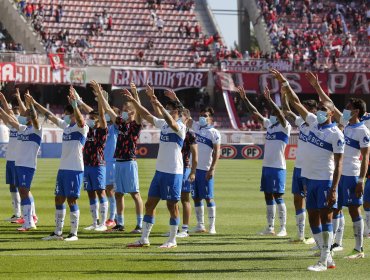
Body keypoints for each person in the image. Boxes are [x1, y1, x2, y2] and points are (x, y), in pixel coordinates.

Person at [274, 68, 344, 272]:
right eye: (319, 107)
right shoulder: (312, 122)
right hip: (309, 178)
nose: (318, 111)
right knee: (312, 215)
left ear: (331, 112)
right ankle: (326, 256)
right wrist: (285, 82)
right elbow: (295, 102)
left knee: (326, 217)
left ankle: (324, 259)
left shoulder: (336, 134)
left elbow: (339, 163)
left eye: (323, 108)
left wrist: (333, 188)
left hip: (325, 180)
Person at [306, 72, 370, 258]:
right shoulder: (345, 124)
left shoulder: (363, 131)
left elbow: (365, 157)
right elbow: (330, 105)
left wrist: (360, 180)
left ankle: (359, 249)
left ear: (356, 111)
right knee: (334, 209)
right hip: (338, 174)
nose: (346, 110)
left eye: (349, 108)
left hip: (351, 175)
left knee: (353, 210)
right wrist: (317, 87)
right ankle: (333, 244)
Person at [126, 85, 186, 248]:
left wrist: (158, 103)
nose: (168, 111)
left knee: (172, 206)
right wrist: (135, 100)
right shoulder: (164, 125)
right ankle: (144, 239)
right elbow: (146, 114)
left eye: (171, 109)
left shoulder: (180, 127)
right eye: (167, 109)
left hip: (173, 172)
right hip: (160, 171)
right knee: (150, 204)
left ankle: (172, 240)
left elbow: (172, 122)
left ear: (178, 113)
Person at [236, 85, 291, 237]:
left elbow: (280, 113)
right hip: (267, 166)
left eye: (274, 113)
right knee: (268, 195)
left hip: (278, 167)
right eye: (271, 113)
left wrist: (269, 100)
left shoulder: (285, 126)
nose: (272, 115)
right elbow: (255, 113)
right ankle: (270, 227)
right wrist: (244, 98)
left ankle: (283, 228)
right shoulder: (270, 126)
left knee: (278, 196)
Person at [37, 86, 89, 241]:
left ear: (72, 114)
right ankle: (57, 233)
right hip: (63, 168)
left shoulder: (82, 128)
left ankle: (74, 233)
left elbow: (80, 119)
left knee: (72, 200)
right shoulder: (66, 127)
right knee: (58, 198)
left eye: (67, 114)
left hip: (75, 168)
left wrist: (75, 105)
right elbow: (50, 116)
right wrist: (34, 104)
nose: (64, 117)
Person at [97, 82, 143, 233]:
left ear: (133, 112)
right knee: (118, 194)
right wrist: (100, 93)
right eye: (123, 110)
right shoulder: (121, 124)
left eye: (127, 110)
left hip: (129, 162)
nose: (123, 112)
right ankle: (120, 224)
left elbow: (140, 112)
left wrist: (135, 95)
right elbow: (109, 109)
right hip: (119, 162)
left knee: (135, 194)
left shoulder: (136, 125)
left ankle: (139, 225)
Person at [157, 90, 198, 238]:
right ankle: (175, 227)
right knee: (173, 200)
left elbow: (195, 156)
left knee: (184, 198)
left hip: (184, 168)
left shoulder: (190, 133)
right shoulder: (173, 128)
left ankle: (185, 229)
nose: (184, 118)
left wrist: (193, 171)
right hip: (175, 168)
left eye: (185, 116)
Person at [0, 91, 42, 231]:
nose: (22, 117)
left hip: (27, 165)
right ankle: (27, 220)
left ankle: (30, 221)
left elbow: (34, 118)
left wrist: (30, 104)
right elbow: (11, 120)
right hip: (19, 164)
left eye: (26, 115)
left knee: (24, 191)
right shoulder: (23, 128)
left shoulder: (36, 130)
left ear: (31, 117)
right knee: (22, 191)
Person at [281, 86, 317, 244]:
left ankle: (314, 235)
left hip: (311, 168)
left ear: (312, 111)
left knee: (312, 203)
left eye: (306, 109)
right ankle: (301, 234)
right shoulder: (302, 122)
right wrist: (283, 96)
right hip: (298, 167)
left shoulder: (315, 124)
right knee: (297, 199)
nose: (302, 112)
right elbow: (287, 111)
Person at [185, 106, 220, 234]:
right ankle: (200, 225)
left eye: (205, 115)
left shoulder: (214, 132)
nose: (202, 117)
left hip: (205, 169)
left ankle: (212, 226)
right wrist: (176, 99)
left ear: (210, 117)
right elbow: (185, 115)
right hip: (194, 169)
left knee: (209, 198)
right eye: (200, 115)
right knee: (196, 197)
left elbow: (217, 152)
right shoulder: (196, 127)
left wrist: (212, 168)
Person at [82, 87, 109, 232]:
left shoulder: (102, 130)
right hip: (87, 165)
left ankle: (103, 223)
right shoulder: (88, 130)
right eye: (90, 117)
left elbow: (103, 116)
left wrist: (99, 96)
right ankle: (95, 221)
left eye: (93, 118)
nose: (90, 119)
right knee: (90, 192)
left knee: (100, 192)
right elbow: (88, 111)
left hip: (98, 164)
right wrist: (77, 101)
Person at [0, 92, 21, 222]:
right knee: (12, 186)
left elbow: (7, 115)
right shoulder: (11, 123)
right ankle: (16, 213)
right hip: (10, 159)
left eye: (15, 109)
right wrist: (2, 102)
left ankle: (21, 214)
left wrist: (3, 102)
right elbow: (4, 115)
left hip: (18, 160)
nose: (13, 111)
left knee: (19, 187)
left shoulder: (21, 123)